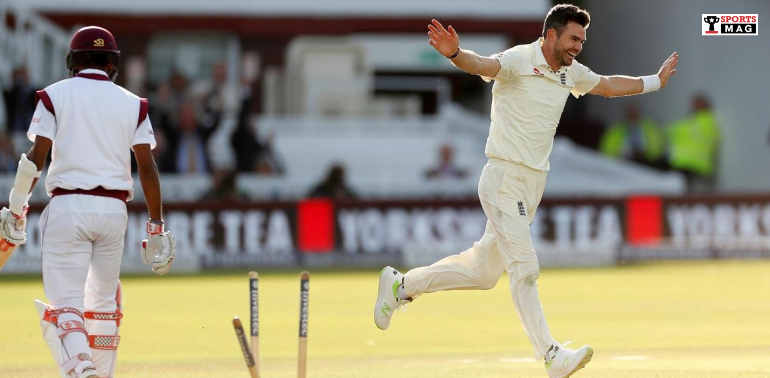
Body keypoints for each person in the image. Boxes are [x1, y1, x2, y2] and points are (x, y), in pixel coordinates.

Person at [374, 5, 678, 378]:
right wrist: (454, 54)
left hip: (531, 184)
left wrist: (654, 82)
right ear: (551, 35)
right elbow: (482, 65)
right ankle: (551, 355)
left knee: (483, 273)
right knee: (525, 268)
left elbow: (608, 85)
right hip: (504, 177)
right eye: (573, 38)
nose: (579, 46)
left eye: (582, 40)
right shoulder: (521, 58)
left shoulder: (570, 73)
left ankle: (401, 286)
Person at [0, 26, 176, 378]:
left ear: (73, 61)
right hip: (114, 213)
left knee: (66, 303)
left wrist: (16, 208)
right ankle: (100, 373)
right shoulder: (132, 103)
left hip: (69, 208)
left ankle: (81, 370)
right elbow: (148, 171)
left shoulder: (55, 95)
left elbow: (36, 159)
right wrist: (156, 227)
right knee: (103, 305)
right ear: (113, 63)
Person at [666, 94, 720, 190]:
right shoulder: (691, 120)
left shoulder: (706, 120)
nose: (695, 106)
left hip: (696, 166)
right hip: (683, 165)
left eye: (699, 104)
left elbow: (675, 130)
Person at [599, 103, 665, 167]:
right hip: (622, 162)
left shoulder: (650, 128)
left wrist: (646, 154)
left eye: (634, 112)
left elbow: (658, 149)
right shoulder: (616, 130)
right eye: (630, 112)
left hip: (645, 162)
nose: (632, 115)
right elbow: (606, 150)